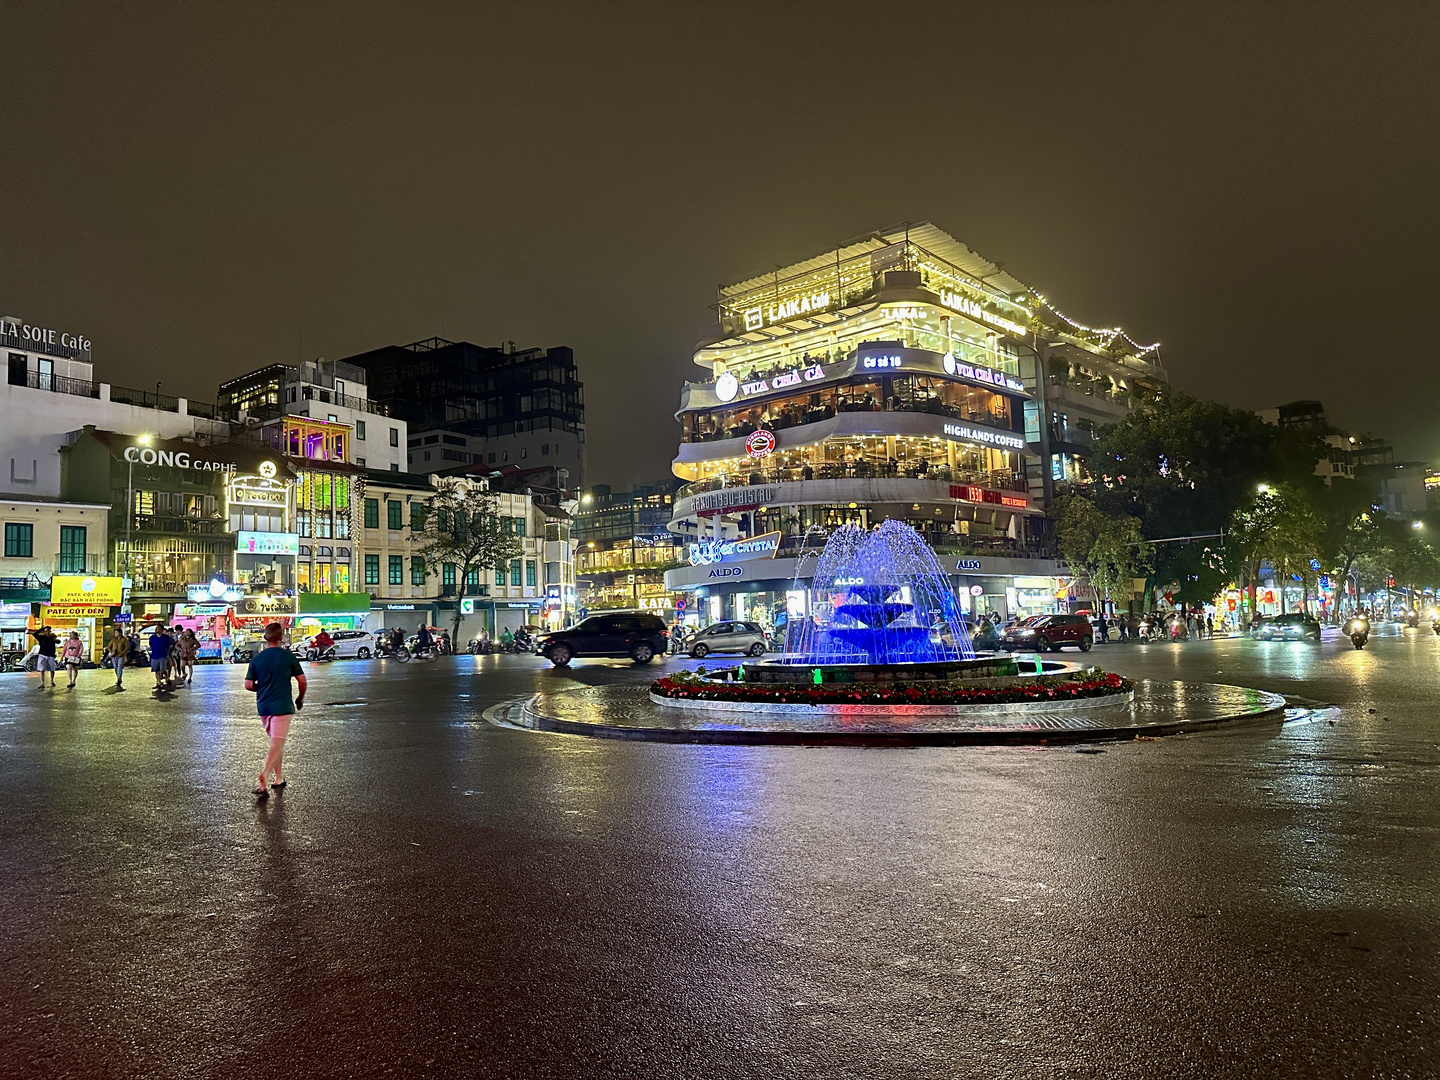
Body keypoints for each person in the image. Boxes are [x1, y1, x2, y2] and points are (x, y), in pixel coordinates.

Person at [243, 621, 306, 800]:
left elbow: (248, 685)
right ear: (281, 637)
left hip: (264, 707)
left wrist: (261, 688)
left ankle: (278, 778)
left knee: (275, 742)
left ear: (265, 638)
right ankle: (265, 775)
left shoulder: (258, 659)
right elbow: (302, 681)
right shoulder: (288, 657)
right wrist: (300, 698)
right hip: (283, 706)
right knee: (277, 743)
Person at [29, 625, 58, 689]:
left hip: (51, 655)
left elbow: (58, 641)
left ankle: (52, 681)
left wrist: (54, 639)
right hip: (42, 654)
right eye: (46, 631)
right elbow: (34, 634)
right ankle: (42, 683)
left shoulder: (52, 637)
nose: (47, 632)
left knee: (52, 669)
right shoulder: (41, 637)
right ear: (44, 632)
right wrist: (41, 629)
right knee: (42, 669)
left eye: (49, 631)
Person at [149, 624, 173, 690]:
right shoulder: (152, 637)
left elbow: (170, 646)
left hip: (163, 655)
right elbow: (151, 645)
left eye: (158, 628)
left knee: (162, 669)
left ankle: (167, 677)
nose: (156, 629)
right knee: (156, 670)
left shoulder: (166, 638)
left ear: (162, 630)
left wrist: (168, 653)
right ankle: (159, 682)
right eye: (156, 628)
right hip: (154, 655)